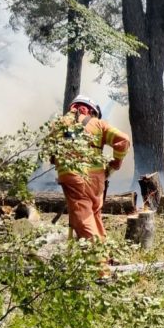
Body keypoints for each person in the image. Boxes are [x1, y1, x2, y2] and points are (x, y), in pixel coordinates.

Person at [50, 95, 130, 240]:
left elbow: (51, 155)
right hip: (96, 180)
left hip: (72, 178)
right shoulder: (98, 124)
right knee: (94, 214)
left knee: (83, 218)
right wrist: (116, 162)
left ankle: (97, 260)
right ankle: (103, 253)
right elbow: (123, 140)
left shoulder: (58, 124)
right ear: (91, 111)